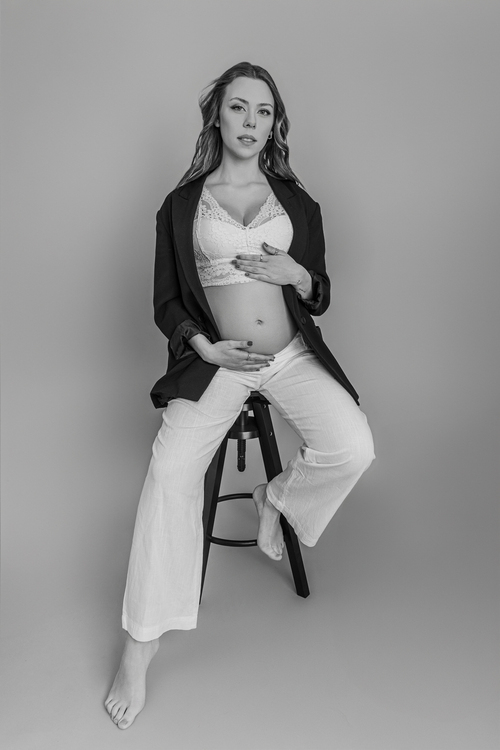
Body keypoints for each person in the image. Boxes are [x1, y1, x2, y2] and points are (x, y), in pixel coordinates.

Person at [104, 61, 375, 729]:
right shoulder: (181, 207)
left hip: (289, 357)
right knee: (169, 473)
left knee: (354, 446)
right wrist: (203, 347)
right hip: (220, 364)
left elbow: (320, 293)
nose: (250, 122)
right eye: (238, 108)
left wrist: (299, 275)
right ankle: (140, 647)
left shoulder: (299, 205)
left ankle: (274, 499)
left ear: (274, 123)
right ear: (216, 117)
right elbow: (167, 302)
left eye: (263, 111)